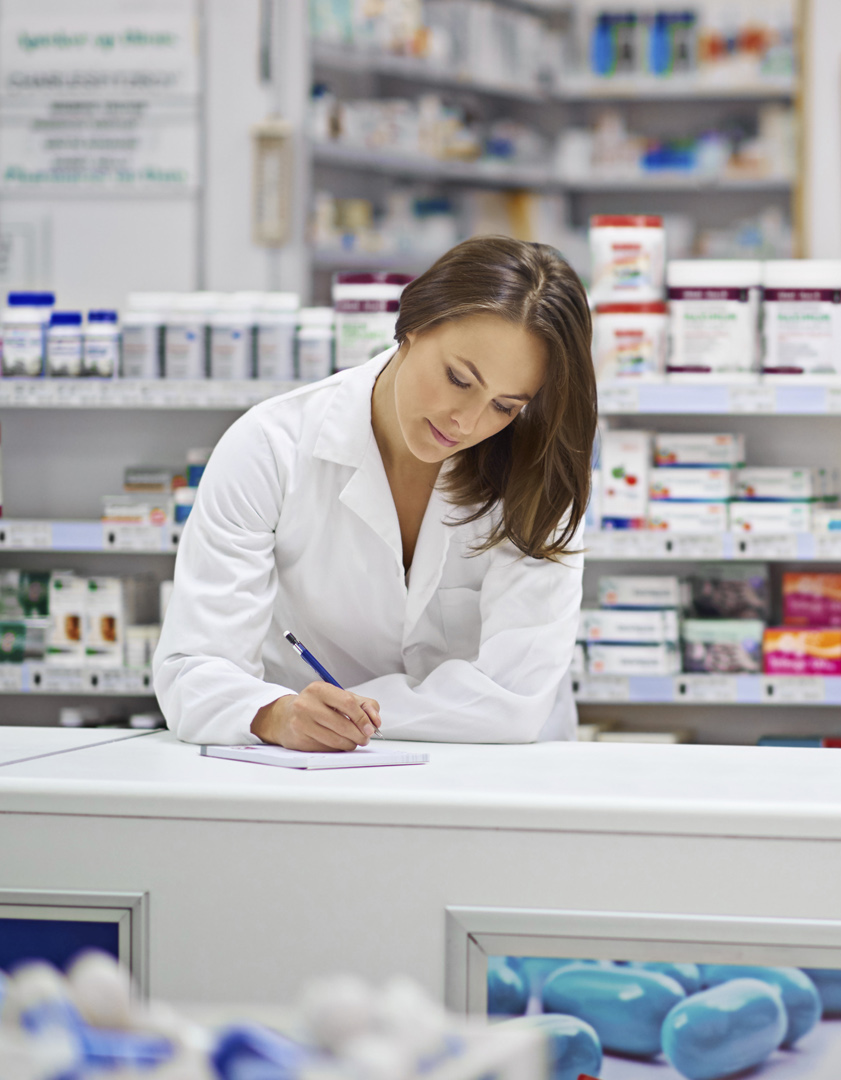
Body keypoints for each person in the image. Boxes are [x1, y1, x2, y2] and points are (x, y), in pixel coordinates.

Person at [154, 237, 596, 749]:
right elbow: (194, 670)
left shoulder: (539, 476)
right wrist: (272, 715)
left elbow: (512, 703)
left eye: (505, 406)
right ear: (412, 324)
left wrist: (331, 710)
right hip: (322, 773)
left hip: (498, 779)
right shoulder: (270, 448)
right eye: (458, 378)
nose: (468, 421)